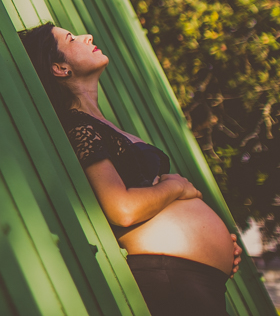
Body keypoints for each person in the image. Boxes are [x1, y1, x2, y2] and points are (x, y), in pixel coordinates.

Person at [19, 23, 242, 316]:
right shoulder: (80, 127)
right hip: (172, 279)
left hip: (196, 280)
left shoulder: (100, 125)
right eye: (71, 39)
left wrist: (220, 248)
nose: (87, 36)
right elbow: (121, 208)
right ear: (60, 68)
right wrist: (176, 187)